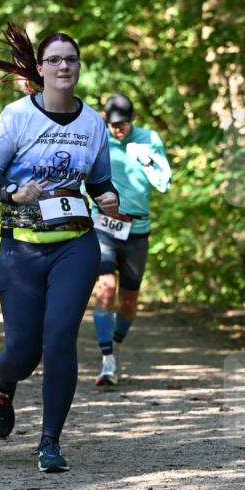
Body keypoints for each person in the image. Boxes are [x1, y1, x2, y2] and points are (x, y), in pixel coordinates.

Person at [0, 23, 119, 473]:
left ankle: (50, 442)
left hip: (75, 246)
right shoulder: (17, 116)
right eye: (54, 59)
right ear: (40, 69)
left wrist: (108, 196)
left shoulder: (93, 123)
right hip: (22, 249)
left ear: (79, 68)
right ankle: (3, 383)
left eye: (70, 60)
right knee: (23, 352)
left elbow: (98, 181)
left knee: (59, 340)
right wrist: (13, 192)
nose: (63, 66)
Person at [91, 94, 171, 386]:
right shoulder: (98, 138)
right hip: (103, 227)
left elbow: (164, 183)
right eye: (112, 124)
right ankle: (107, 361)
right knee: (107, 289)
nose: (117, 130)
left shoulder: (148, 138)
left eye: (122, 124)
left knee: (128, 300)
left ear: (131, 119)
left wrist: (147, 160)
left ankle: (116, 342)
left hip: (137, 231)